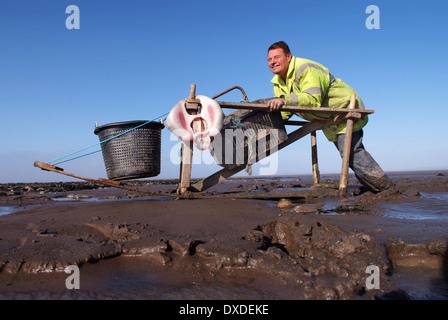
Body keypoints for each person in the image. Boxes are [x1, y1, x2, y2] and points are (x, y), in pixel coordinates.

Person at [266, 41, 393, 193]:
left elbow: (313, 99)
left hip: (344, 109)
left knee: (351, 152)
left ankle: (386, 188)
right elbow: (287, 112)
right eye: (269, 59)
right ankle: (376, 187)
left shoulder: (305, 68)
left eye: (277, 57)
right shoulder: (277, 84)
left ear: (288, 56)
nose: (273, 62)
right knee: (348, 153)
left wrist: (284, 100)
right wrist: (269, 124)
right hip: (330, 118)